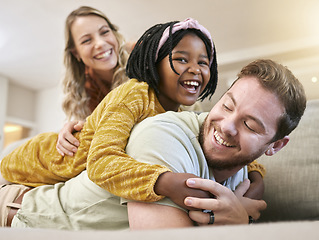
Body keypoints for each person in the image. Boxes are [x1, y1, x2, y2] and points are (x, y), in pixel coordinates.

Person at [2, 59, 306, 230]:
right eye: (227, 106)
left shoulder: (242, 172)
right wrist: (239, 224)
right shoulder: (161, 132)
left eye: (250, 124)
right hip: (19, 210)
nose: (226, 126)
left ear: (275, 146)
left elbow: (251, 171)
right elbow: (102, 163)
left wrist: (252, 191)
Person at [0, 18, 218, 205]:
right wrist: (164, 182)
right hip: (39, 158)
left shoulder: (179, 113)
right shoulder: (135, 93)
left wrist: (253, 170)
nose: (196, 69)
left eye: (203, 62)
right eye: (181, 59)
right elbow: (100, 163)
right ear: (153, 63)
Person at [56, 6, 130, 156]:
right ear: (76, 53)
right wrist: (71, 130)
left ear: (114, 34)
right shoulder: (85, 89)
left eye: (104, 32)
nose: (100, 43)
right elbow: (92, 134)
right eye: (87, 40)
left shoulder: (142, 55)